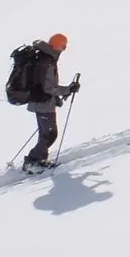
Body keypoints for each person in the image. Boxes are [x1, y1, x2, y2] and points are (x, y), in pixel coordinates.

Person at [22, 33, 81, 172]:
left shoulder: (44, 58)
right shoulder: (47, 62)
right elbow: (48, 87)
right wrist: (67, 90)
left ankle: (40, 159)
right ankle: (31, 162)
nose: (64, 49)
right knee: (50, 134)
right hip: (42, 104)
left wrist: (58, 97)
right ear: (58, 46)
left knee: (45, 134)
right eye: (63, 46)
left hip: (40, 101)